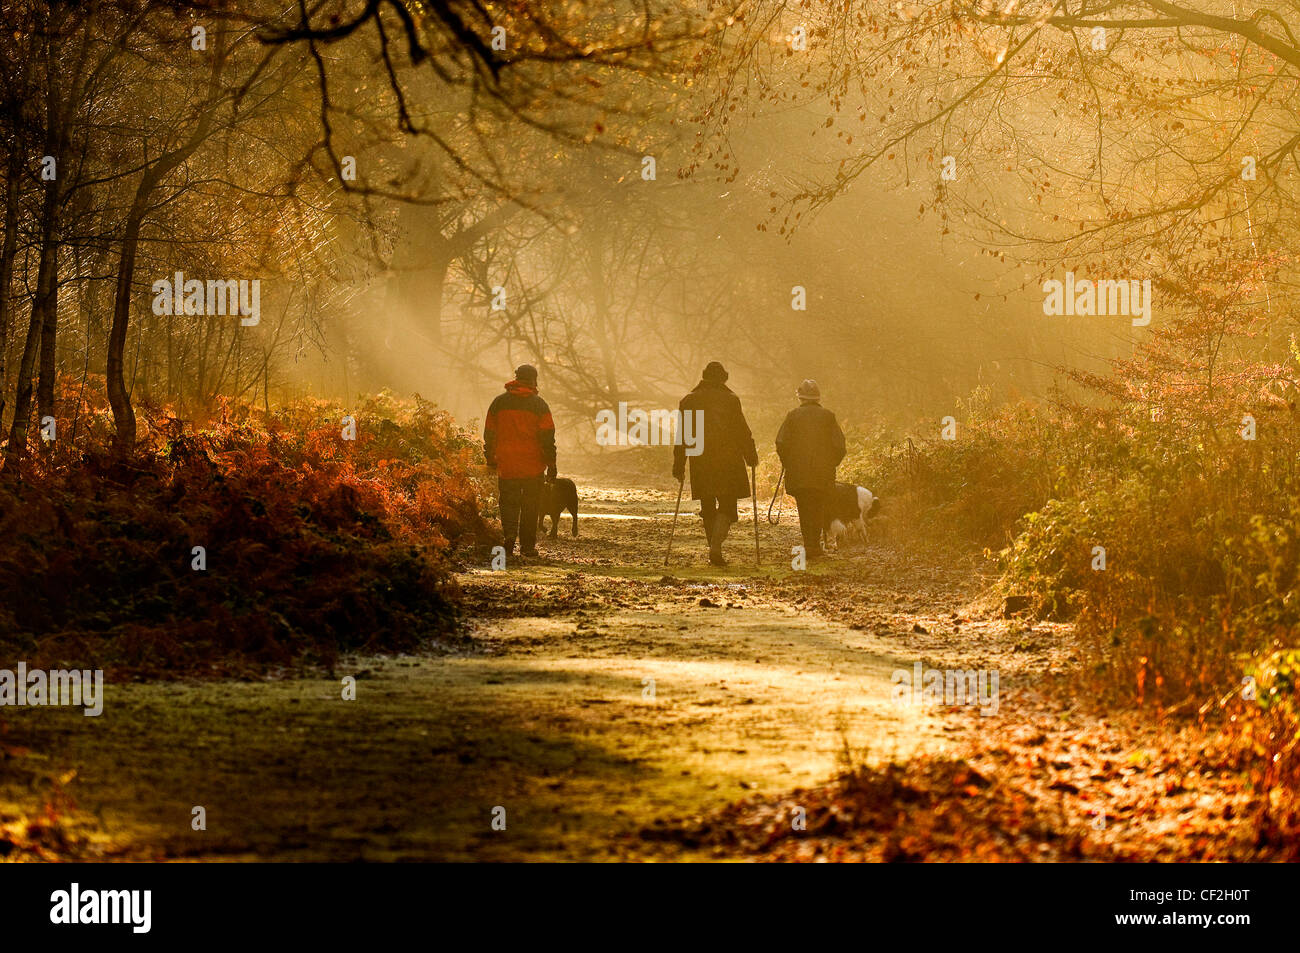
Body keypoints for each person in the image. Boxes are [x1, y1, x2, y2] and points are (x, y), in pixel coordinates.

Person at [672, 361, 757, 566]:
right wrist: (750, 455)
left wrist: (679, 464)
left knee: (708, 506)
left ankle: (713, 547)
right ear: (723, 379)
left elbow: (683, 435)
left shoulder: (689, 400)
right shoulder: (731, 400)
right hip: (729, 460)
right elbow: (742, 431)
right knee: (728, 507)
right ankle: (716, 547)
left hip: (700, 460)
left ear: (704, 377)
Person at [483, 364, 556, 557]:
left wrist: (490, 458)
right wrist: (552, 464)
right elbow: (548, 437)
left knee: (508, 503)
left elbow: (489, 433)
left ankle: (508, 536)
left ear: (516, 378)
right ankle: (527, 547)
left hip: (507, 464)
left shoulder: (498, 403)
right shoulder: (540, 405)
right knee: (530, 506)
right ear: (533, 380)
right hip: (533, 466)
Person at [775, 379, 845, 560]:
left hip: (799, 473)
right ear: (817, 397)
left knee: (804, 507)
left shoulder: (792, 416)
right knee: (819, 506)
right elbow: (840, 446)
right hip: (823, 473)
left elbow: (781, 442)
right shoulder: (828, 416)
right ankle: (814, 544)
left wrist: (788, 462)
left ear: (801, 397)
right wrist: (831, 463)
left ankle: (809, 544)